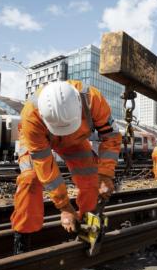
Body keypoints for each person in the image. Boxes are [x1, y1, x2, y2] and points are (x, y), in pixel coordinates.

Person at [11, 80, 121, 254]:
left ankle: (89, 232)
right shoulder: (31, 116)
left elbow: (112, 137)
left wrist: (106, 174)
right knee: (30, 179)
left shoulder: (93, 100)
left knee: (91, 181)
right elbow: (45, 166)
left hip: (76, 140)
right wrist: (64, 207)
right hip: (38, 140)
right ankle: (22, 243)